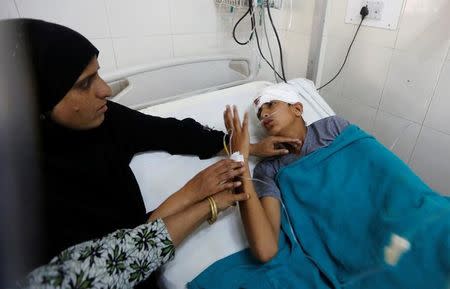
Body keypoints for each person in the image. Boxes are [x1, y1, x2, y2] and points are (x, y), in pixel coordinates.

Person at [2, 18, 297, 288]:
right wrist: (198, 197)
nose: (105, 90)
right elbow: (106, 264)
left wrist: (237, 146)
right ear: (37, 104)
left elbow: (171, 132)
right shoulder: (19, 201)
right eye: (85, 84)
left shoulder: (103, 119)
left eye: (98, 73)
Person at [224, 82, 349, 262]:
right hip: (331, 241)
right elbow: (265, 250)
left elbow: (367, 164)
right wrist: (239, 157)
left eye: (271, 104)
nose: (264, 114)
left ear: (297, 109)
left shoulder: (332, 128)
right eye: (259, 113)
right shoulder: (268, 170)